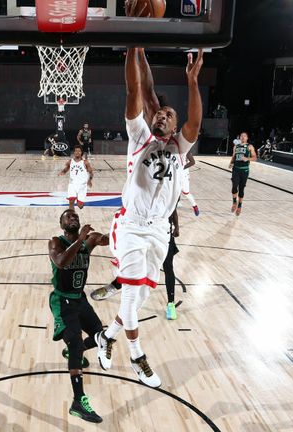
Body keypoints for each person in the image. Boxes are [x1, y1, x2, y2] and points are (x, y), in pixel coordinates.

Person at [94, 48, 204, 389]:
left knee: (140, 298)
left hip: (159, 232)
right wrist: (133, 47)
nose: (163, 116)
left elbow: (195, 123)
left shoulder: (179, 148)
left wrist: (192, 80)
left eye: (169, 115)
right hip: (131, 226)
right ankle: (138, 357)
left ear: (175, 125)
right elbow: (137, 90)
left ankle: (105, 336)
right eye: (159, 114)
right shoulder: (140, 136)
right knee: (130, 297)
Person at [48, 209, 109, 424]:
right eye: (68, 217)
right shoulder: (56, 242)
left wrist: (126, 225)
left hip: (79, 298)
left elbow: (108, 239)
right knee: (75, 345)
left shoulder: (89, 240)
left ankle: (75, 349)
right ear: (62, 223)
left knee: (104, 335)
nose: (73, 218)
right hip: (62, 300)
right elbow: (62, 262)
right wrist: (81, 239)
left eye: (75, 216)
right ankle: (78, 402)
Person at [92, 205, 181, 320]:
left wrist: (177, 227)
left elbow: (173, 208)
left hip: (163, 235)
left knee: (168, 267)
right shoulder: (145, 194)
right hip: (143, 233)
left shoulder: (170, 191)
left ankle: (171, 304)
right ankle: (115, 286)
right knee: (133, 263)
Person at [228, 132, 257, 216]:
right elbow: (233, 156)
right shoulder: (236, 146)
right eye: (241, 136)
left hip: (244, 170)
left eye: (244, 136)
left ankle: (240, 206)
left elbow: (255, 158)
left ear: (247, 138)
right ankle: (234, 202)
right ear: (240, 138)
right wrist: (231, 163)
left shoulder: (250, 146)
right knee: (234, 186)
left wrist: (247, 158)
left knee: (241, 189)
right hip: (236, 169)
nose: (243, 137)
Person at [59, 146, 93, 210]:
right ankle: (71, 216)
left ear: (81, 152)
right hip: (72, 184)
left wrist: (90, 180)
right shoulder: (70, 161)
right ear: (74, 152)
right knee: (71, 201)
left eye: (79, 151)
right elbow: (66, 169)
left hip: (82, 186)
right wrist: (63, 172)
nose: (77, 152)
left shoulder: (85, 162)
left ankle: (78, 199)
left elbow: (91, 173)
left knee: (80, 206)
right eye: (76, 151)